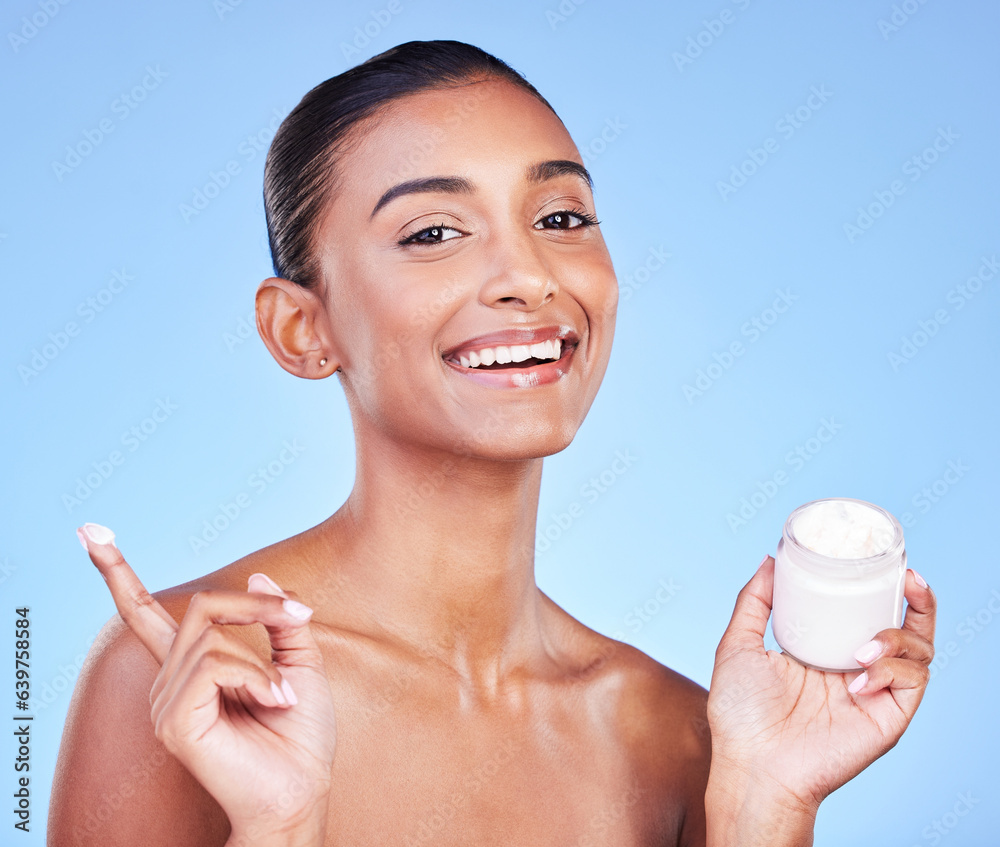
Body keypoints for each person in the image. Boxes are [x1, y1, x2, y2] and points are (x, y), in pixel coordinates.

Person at [48, 40, 936, 847]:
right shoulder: (187, 679)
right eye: (434, 233)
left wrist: (768, 806)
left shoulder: (685, 736)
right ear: (301, 330)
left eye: (560, 218)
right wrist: (277, 826)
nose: (528, 277)